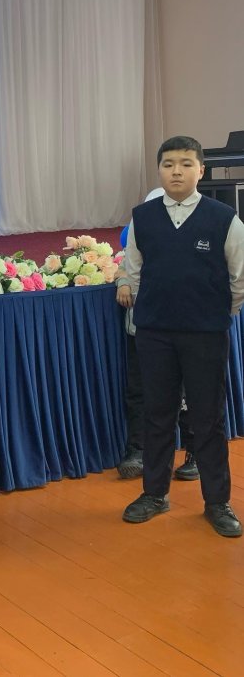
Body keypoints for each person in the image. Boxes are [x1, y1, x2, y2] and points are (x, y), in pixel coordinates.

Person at [121, 135, 244, 537]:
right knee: (158, 415)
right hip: (154, 333)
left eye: (186, 164)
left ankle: (217, 502)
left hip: (205, 335)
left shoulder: (224, 218)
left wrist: (215, 314)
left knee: (208, 419)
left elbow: (239, 279)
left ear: (201, 170)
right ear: (159, 170)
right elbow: (133, 272)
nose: (177, 171)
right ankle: (154, 494)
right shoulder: (142, 217)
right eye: (169, 164)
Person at [116, 190, 197, 481]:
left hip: (184, 332)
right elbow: (126, 263)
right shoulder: (140, 233)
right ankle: (137, 452)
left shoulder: (193, 238)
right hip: (143, 329)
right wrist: (123, 281)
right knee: (139, 392)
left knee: (187, 393)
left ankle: (195, 452)